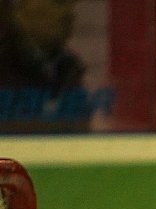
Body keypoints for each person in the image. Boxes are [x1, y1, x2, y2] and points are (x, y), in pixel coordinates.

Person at [0, 0, 89, 133]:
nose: (68, 14)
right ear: (21, 12)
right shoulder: (5, 63)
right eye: (57, 3)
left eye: (69, 5)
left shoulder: (69, 66)